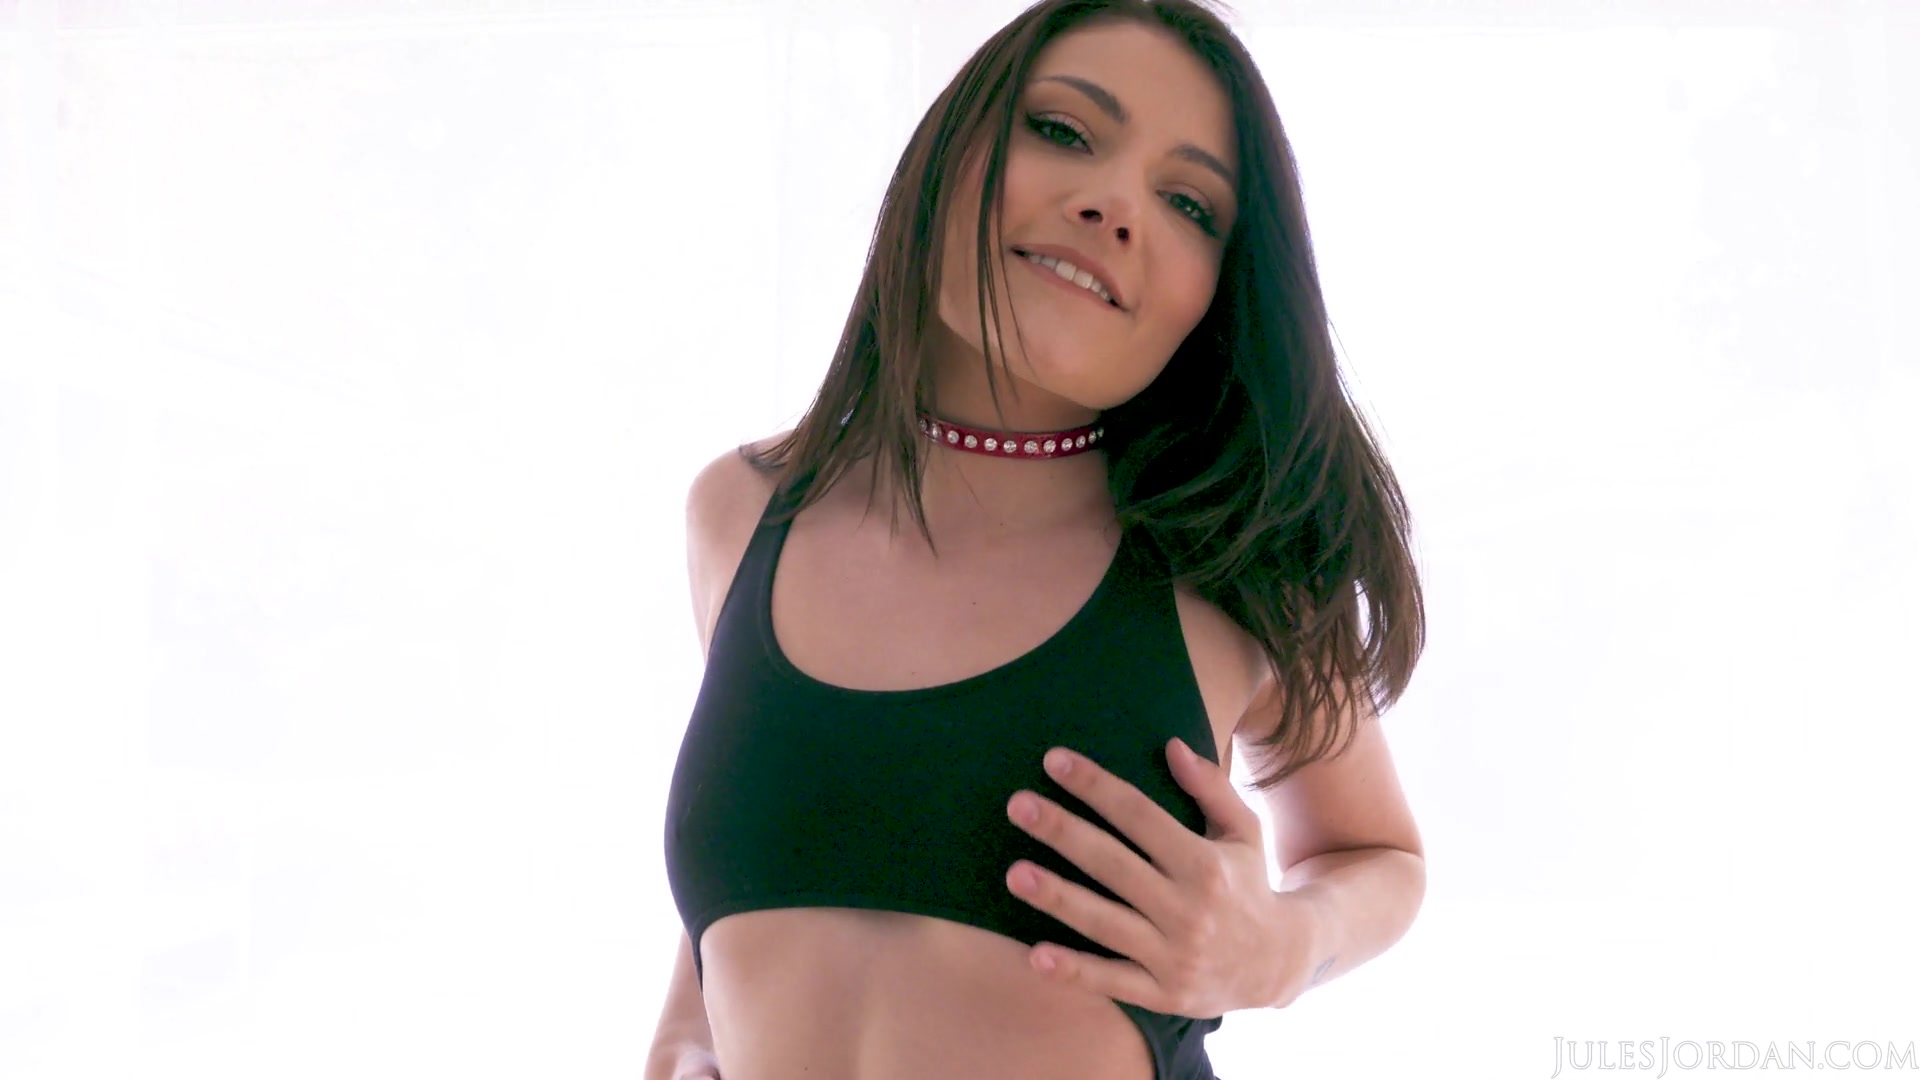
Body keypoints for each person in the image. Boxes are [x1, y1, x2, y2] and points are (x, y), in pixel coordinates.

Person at [648, 1, 1428, 1077]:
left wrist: (1285, 946)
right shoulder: (740, 514)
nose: (1115, 205)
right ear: (948, 151)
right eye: (1064, 130)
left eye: (1190, 203)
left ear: (1218, 291)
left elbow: (1377, 854)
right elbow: (756, 860)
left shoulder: (1234, 563)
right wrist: (684, 1039)